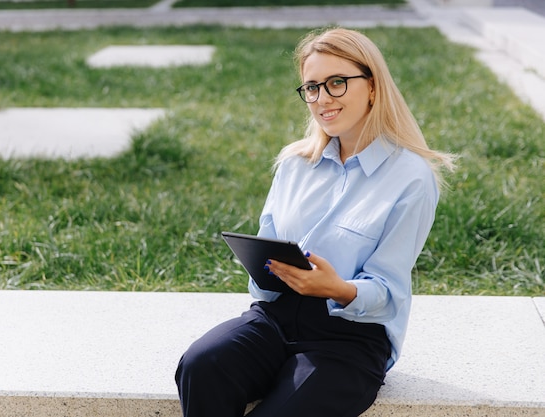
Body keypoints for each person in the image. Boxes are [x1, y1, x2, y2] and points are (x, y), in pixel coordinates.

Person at [175, 27, 455, 417]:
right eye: (311, 87)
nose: (322, 99)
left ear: (372, 86)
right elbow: (263, 264)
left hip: (350, 340)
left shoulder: (411, 176)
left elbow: (390, 289)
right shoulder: (293, 164)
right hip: (274, 319)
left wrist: (338, 288)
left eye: (336, 83)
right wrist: (262, 269)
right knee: (201, 365)